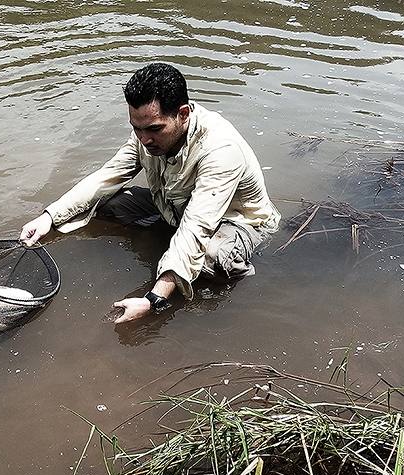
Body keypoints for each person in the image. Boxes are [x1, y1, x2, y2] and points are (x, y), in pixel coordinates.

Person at [20, 63, 280, 323]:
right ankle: (167, 248)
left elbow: (197, 227)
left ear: (183, 114)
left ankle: (218, 275)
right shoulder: (146, 135)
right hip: (176, 207)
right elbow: (105, 178)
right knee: (111, 204)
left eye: (154, 129)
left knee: (211, 258)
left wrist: (154, 298)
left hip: (238, 222)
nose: (144, 139)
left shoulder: (220, 150)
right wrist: (49, 217)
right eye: (137, 128)